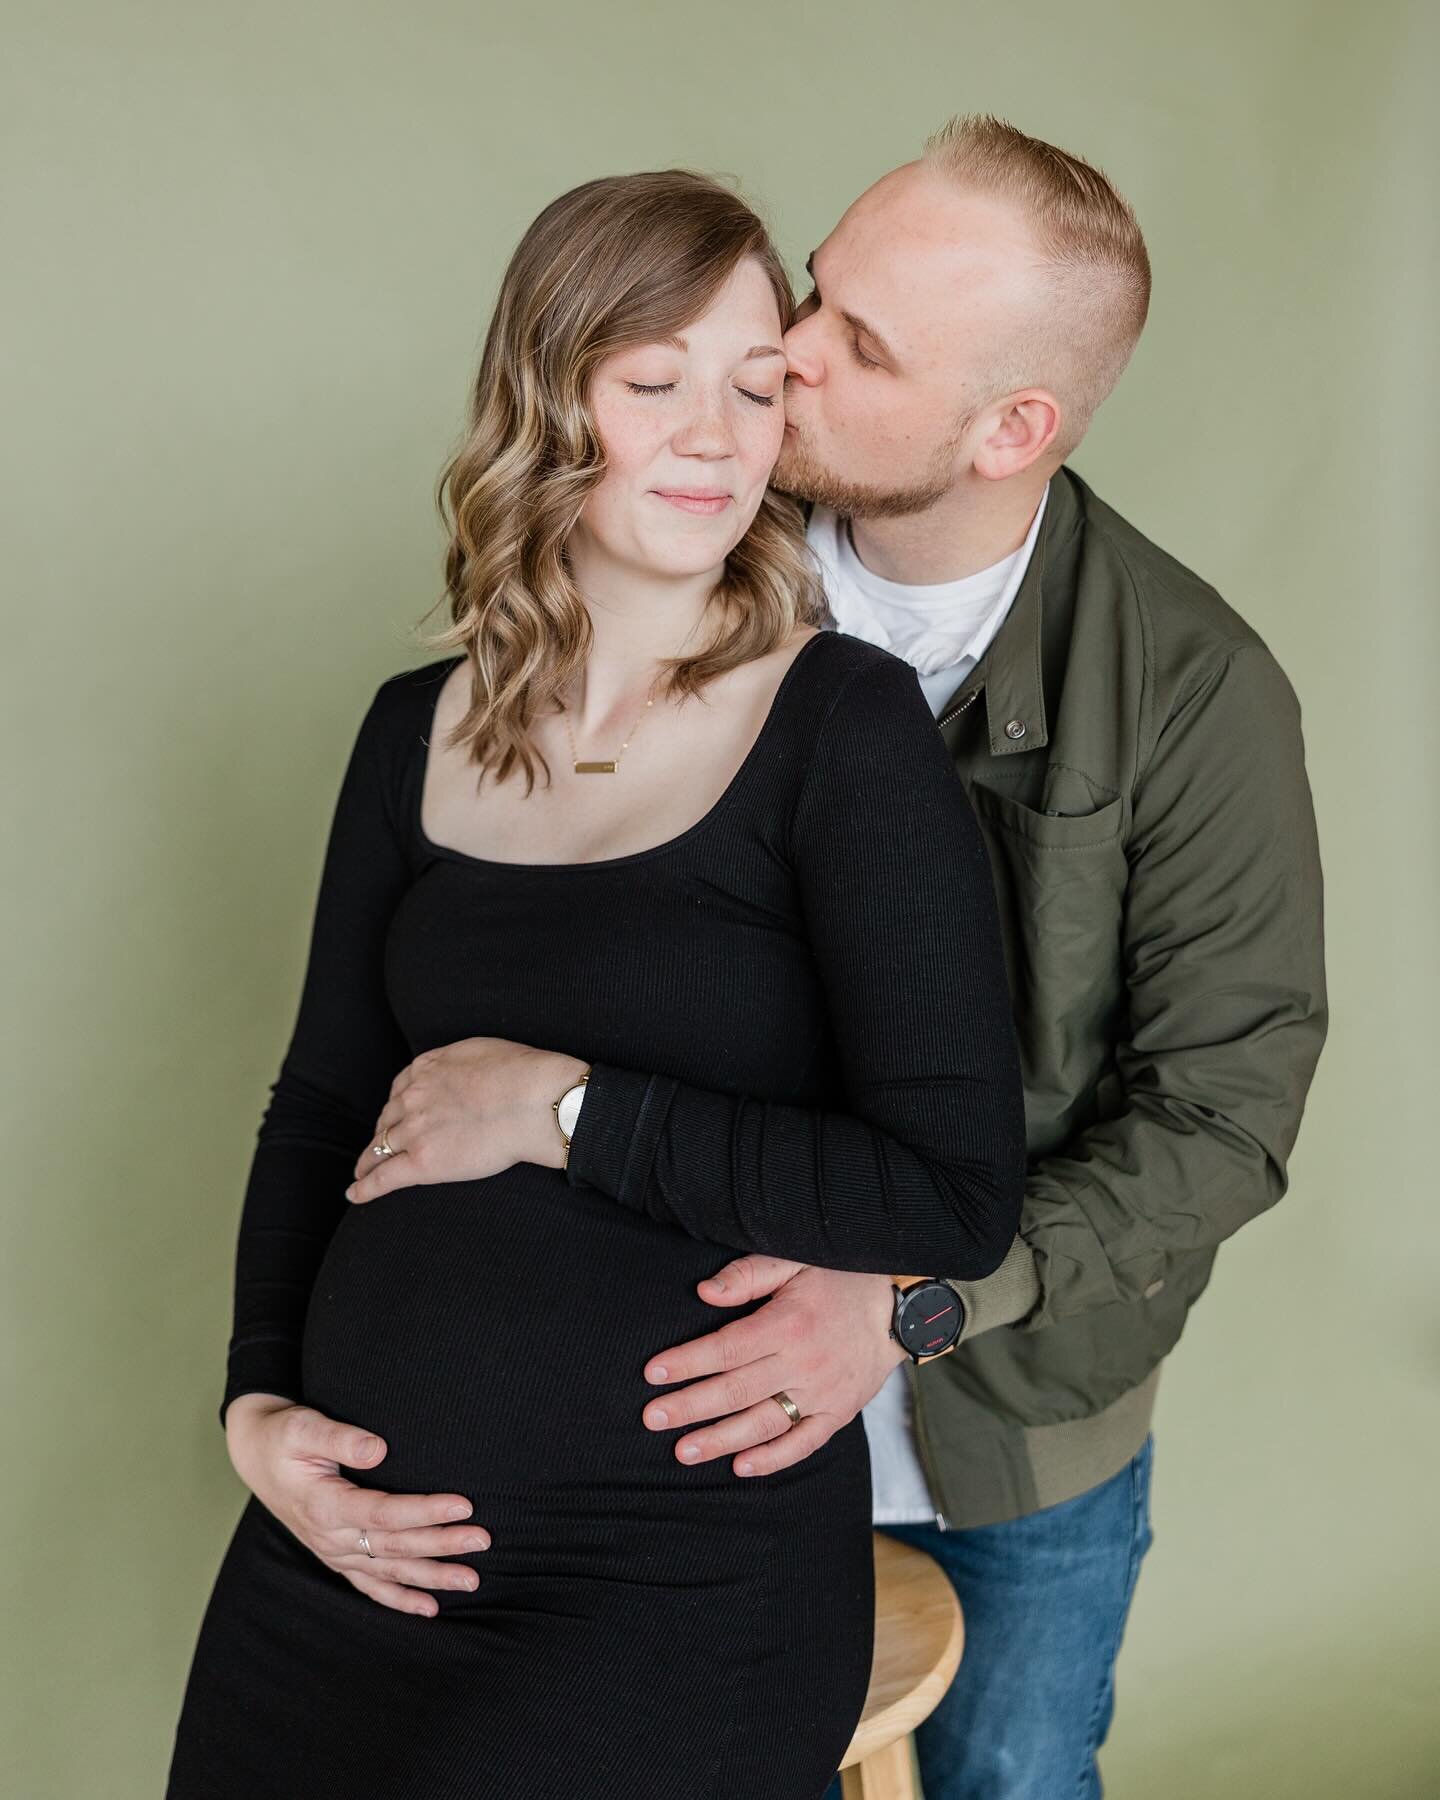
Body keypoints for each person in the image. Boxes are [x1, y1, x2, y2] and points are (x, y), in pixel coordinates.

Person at [164, 167, 1029, 1799]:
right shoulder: (411, 730)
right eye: (655, 384)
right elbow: (319, 1107)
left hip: (665, 1583)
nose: (716, 434)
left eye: (757, 385)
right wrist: (258, 1414)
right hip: (347, 1564)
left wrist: (566, 1111)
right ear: (547, 397)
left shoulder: (841, 729)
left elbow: (952, 1189)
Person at [624, 116, 1321, 1800]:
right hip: (678, 1381)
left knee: (1012, 1781)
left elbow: (1227, 1113)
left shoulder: (1199, 693)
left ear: (1015, 428)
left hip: (1019, 1429)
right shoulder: (685, 578)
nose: (781, 353)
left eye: (860, 346)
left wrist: (922, 1304)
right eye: (816, 292)